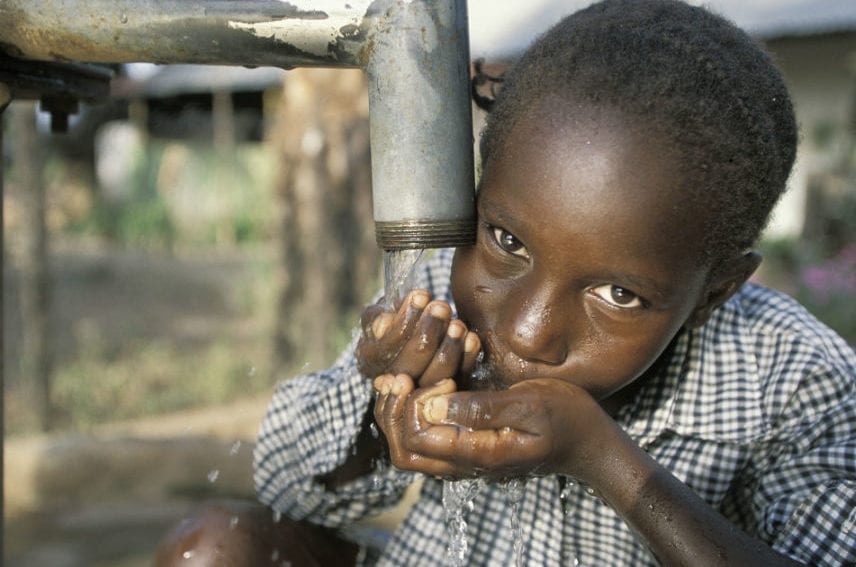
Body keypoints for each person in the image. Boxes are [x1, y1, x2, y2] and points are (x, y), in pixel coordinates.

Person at [156, 0, 855, 565]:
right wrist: (378, 420)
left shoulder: (792, 377)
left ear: (713, 292)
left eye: (618, 295)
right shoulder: (437, 292)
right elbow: (282, 482)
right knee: (216, 548)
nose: (525, 331)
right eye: (508, 240)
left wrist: (606, 462)